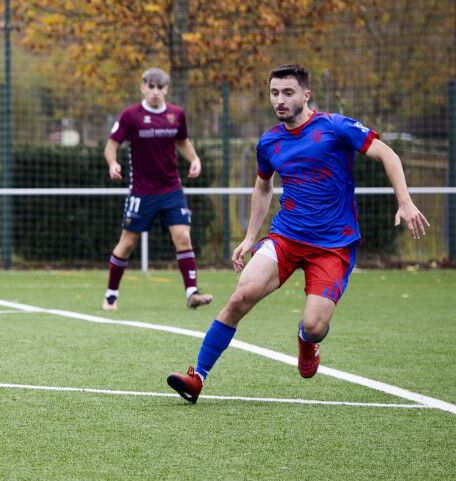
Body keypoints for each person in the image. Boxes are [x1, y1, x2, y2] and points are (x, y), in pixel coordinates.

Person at [166, 64, 430, 403]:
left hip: (333, 247)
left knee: (316, 325)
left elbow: (386, 153)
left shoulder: (335, 127)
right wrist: (249, 238)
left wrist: (405, 202)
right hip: (286, 238)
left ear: (306, 95)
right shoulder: (269, 142)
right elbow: (263, 188)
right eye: (274, 93)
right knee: (240, 296)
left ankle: (308, 341)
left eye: (288, 92)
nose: (280, 100)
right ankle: (197, 377)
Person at [102, 68, 212, 311]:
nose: (155, 92)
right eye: (150, 87)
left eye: (160, 87)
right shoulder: (131, 115)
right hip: (141, 192)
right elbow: (111, 145)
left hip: (171, 189)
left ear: (166, 89)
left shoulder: (176, 115)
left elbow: (182, 142)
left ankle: (192, 293)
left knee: (183, 237)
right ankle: (111, 294)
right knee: (128, 243)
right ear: (143, 87)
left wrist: (194, 159)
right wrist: (113, 163)